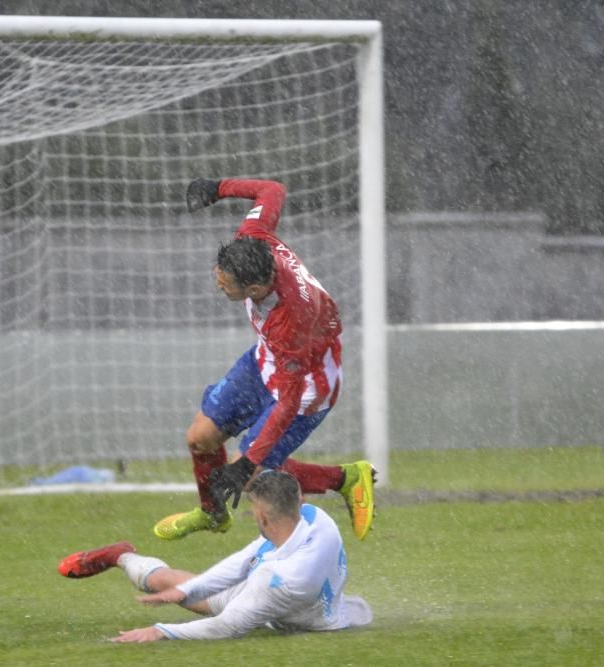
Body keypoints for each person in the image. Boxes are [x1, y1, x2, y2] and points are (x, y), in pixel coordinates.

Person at [153, 178, 376, 542]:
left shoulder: (292, 322)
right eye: (219, 272)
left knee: (255, 475)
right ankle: (213, 515)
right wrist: (218, 187)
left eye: (226, 283)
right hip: (265, 360)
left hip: (307, 386)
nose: (218, 281)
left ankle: (346, 478)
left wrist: (245, 464)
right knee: (200, 438)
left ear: (255, 290)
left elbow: (288, 402)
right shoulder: (252, 238)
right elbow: (272, 190)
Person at [58, 470, 372, 641]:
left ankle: (123, 557)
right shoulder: (316, 518)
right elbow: (243, 562)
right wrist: (188, 590)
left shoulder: (278, 582)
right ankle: (120, 557)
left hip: (289, 607)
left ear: (263, 517)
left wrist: (160, 631)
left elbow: (226, 627)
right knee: (179, 588)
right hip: (319, 606)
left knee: (178, 591)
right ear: (299, 500)